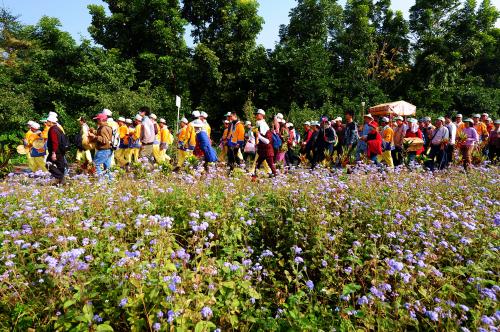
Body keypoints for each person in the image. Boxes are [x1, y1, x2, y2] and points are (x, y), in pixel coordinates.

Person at [252, 113, 277, 179]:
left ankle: (275, 176)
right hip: (262, 150)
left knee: (271, 164)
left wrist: (259, 136)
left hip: (268, 150)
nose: (256, 116)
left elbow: (267, 141)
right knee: (257, 163)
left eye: (258, 114)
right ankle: (254, 175)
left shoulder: (267, 131)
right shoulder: (261, 128)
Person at [88, 113, 113, 178]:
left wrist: (94, 137)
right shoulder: (107, 127)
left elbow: (105, 140)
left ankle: (101, 181)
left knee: (95, 165)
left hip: (103, 150)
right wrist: (93, 131)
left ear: (101, 120)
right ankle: (110, 182)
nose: (97, 121)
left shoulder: (103, 129)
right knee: (107, 168)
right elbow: (101, 134)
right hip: (108, 150)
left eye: (98, 119)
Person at [46, 113, 67, 185]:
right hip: (61, 150)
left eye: (48, 121)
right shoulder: (58, 128)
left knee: (48, 164)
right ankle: (61, 182)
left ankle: (61, 177)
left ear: (52, 122)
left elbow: (55, 142)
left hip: (56, 151)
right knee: (60, 166)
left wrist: (53, 153)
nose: (47, 122)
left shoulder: (52, 130)